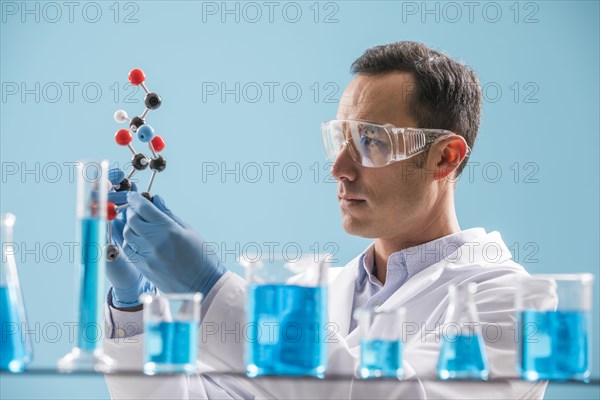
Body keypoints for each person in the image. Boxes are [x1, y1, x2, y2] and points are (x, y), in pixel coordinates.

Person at [103, 41, 553, 399]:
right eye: (339, 138)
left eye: (371, 141)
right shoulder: (307, 295)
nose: (339, 167)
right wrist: (132, 316)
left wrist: (209, 288)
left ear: (445, 157)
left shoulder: (515, 305)